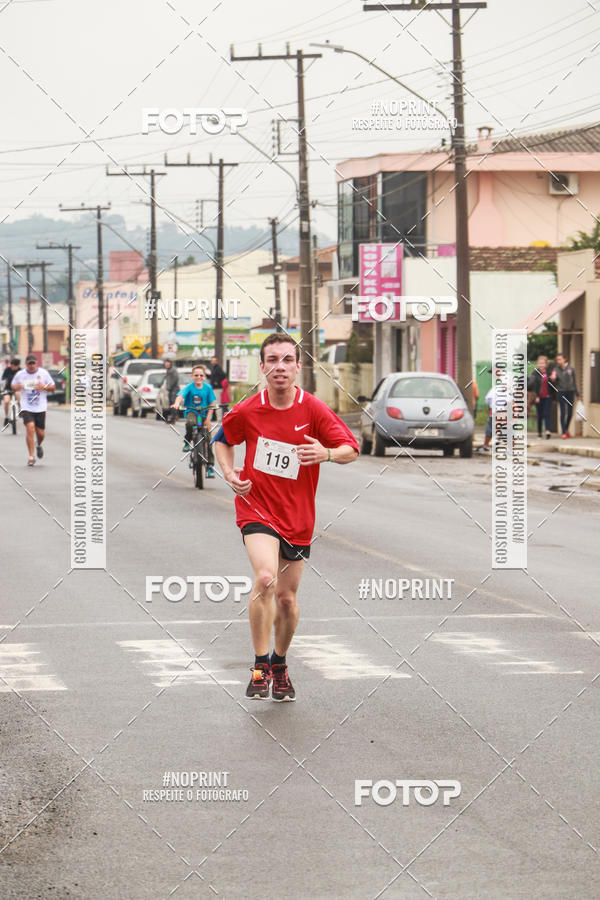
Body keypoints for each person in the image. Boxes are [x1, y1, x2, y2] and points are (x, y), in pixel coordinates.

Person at [213, 333, 359, 701]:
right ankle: (260, 665)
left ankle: (279, 663)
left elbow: (350, 449)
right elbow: (222, 439)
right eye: (272, 360)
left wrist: (325, 454)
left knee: (287, 600)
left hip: (297, 517)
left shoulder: (312, 409)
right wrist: (230, 474)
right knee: (265, 579)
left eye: (287, 360)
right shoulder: (248, 409)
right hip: (256, 507)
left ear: (298, 367)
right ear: (262, 367)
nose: (280, 367)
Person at [172, 364, 216, 477]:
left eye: (201, 375)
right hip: (192, 412)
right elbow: (180, 396)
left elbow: (212, 404)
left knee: (208, 439)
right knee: (190, 423)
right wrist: (177, 404)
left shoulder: (208, 388)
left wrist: (209, 419)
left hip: (204, 413)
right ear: (192, 376)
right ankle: (187, 441)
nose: (198, 377)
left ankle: (210, 466)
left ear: (205, 377)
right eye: (196, 375)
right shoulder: (189, 387)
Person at [11, 354, 55, 465]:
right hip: (26, 406)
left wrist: (44, 387)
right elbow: (13, 386)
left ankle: (38, 445)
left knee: (41, 434)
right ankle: (31, 456)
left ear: (36, 363)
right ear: (26, 364)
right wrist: (18, 387)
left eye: (33, 363)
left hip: (40, 407)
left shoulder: (43, 373)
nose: (31, 365)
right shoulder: (20, 374)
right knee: (30, 428)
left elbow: (53, 387)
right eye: (29, 363)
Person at [549, 352, 579, 438]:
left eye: (560, 359)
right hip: (561, 392)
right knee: (562, 412)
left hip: (570, 392)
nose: (558, 361)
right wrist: (553, 379)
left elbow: (574, 382)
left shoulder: (571, 369)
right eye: (557, 359)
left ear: (565, 359)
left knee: (570, 413)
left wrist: (577, 394)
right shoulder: (555, 369)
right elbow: (553, 380)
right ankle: (563, 432)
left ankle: (566, 429)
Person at [477, 370, 505, 453]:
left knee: (495, 427)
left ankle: (491, 445)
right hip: (496, 409)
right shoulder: (498, 383)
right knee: (492, 427)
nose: (492, 375)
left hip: (501, 409)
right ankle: (488, 445)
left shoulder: (504, 381)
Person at [528, 355, 552, 439]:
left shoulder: (549, 372)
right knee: (540, 415)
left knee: (546, 414)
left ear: (546, 364)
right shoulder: (535, 373)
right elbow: (532, 385)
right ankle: (539, 433)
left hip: (548, 396)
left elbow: (553, 384)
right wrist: (536, 396)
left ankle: (548, 431)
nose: (541, 365)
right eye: (540, 363)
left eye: (543, 363)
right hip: (538, 397)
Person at [1, 357, 21, 427]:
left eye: (14, 365)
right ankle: (6, 417)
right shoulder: (7, 370)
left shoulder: (20, 371)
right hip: (8, 388)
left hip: (17, 389)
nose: (12, 366)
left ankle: (20, 409)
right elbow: (3, 379)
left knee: (18, 394)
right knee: (6, 401)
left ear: (17, 365)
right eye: (11, 365)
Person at [209, 355, 227, 421]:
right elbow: (213, 377)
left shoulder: (218, 368)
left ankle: (219, 418)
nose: (213, 362)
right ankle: (216, 417)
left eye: (214, 360)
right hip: (213, 388)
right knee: (213, 403)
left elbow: (223, 375)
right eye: (212, 360)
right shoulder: (213, 368)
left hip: (217, 388)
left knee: (217, 403)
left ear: (216, 361)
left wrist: (217, 381)